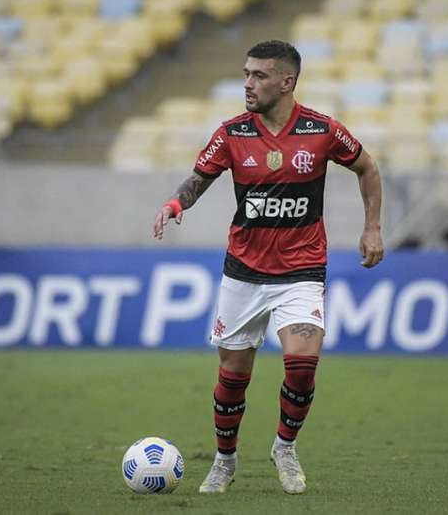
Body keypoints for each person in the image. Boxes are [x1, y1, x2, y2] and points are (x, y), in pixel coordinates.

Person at [152, 40, 384, 495]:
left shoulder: (322, 130)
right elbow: (200, 177)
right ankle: (224, 460)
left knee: (302, 365)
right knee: (234, 376)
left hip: (302, 269)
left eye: (258, 75)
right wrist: (177, 201)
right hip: (244, 271)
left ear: (286, 81)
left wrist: (372, 227)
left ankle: (285, 447)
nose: (248, 84)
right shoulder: (232, 133)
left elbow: (367, 168)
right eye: (245, 74)